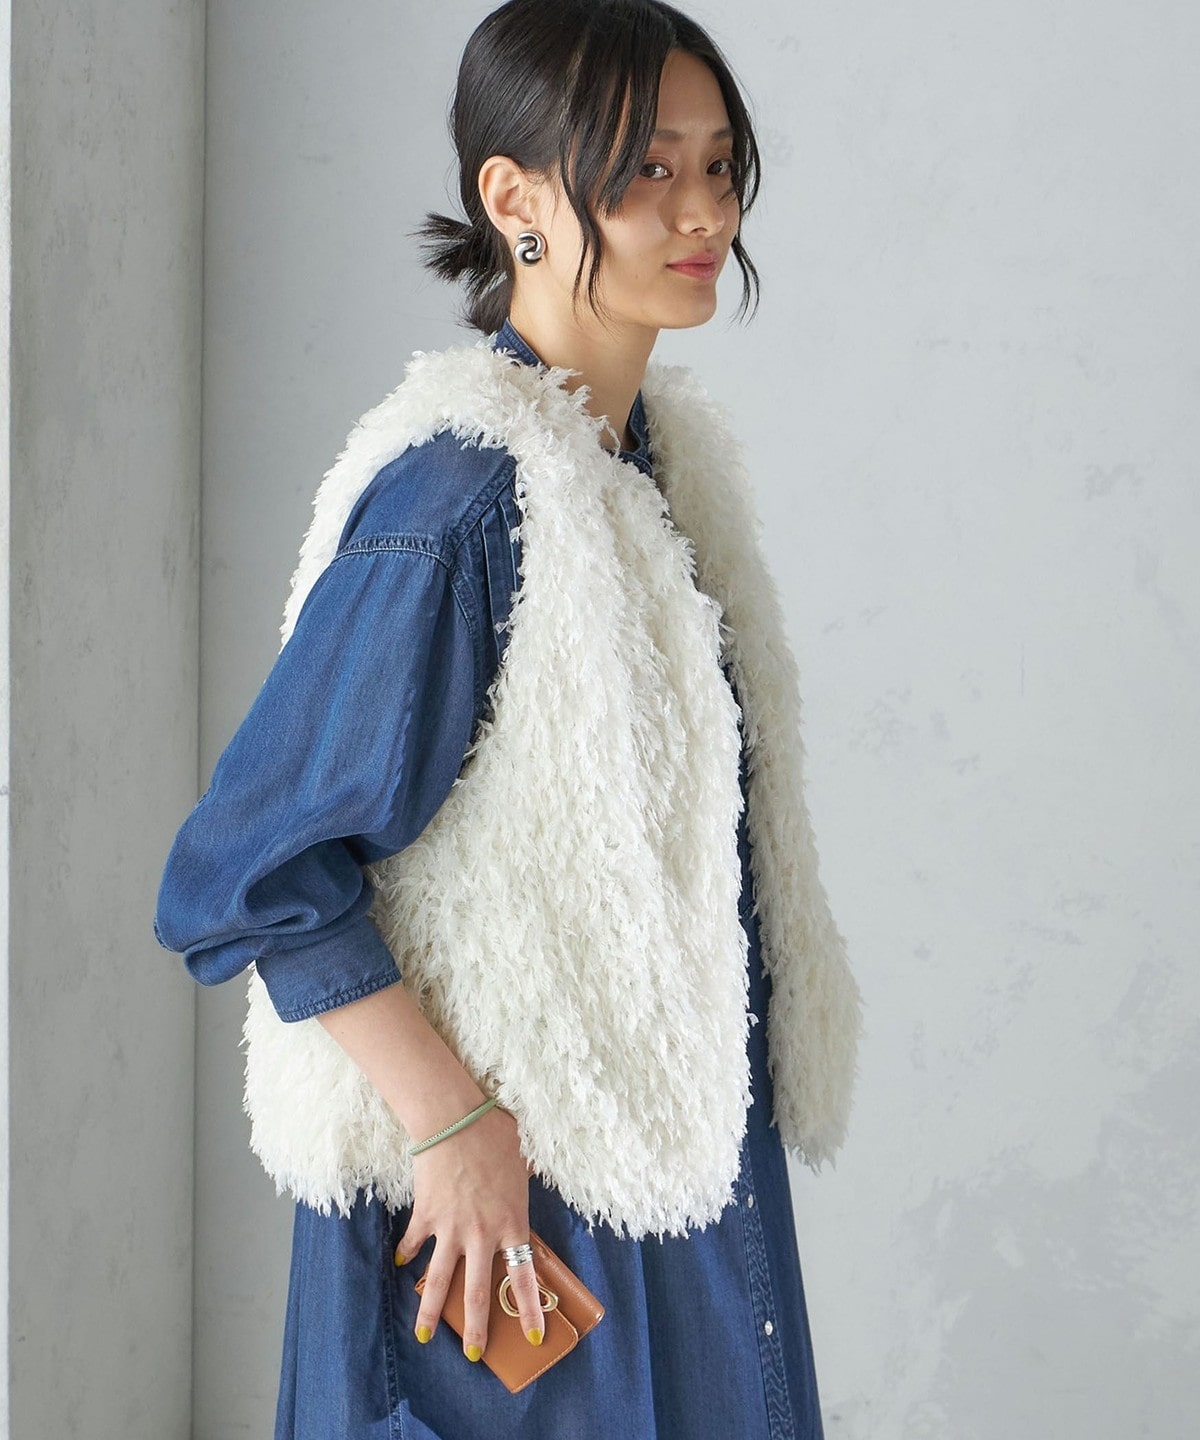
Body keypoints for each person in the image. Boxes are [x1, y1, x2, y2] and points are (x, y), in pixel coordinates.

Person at [154, 1, 863, 1436]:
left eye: (718, 166)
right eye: (646, 169)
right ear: (515, 196)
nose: (702, 210)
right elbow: (244, 866)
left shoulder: (651, 486)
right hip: (516, 1231)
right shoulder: (467, 503)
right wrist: (454, 1124)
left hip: (673, 1191)